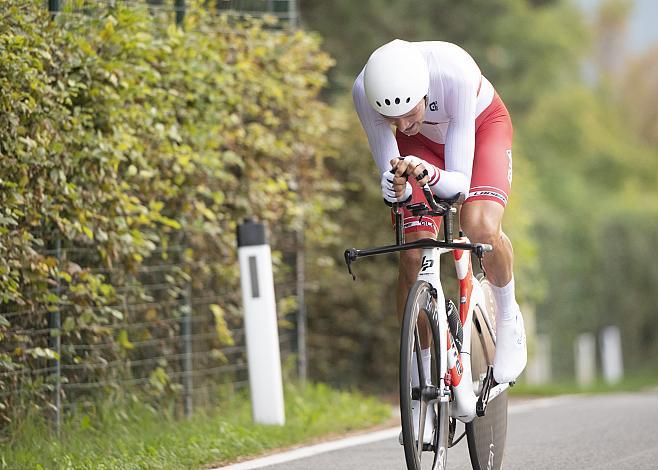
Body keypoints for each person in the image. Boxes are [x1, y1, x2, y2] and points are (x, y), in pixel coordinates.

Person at [352, 39, 527, 443]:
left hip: (480, 129)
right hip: (418, 151)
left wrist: (429, 174)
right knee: (412, 250)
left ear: (425, 92)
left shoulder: (454, 73)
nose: (399, 124)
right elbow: (391, 174)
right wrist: (391, 184)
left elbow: (458, 186)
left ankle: (506, 315)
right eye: (389, 117)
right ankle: (420, 388)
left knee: (479, 225)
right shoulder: (366, 90)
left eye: (407, 113)